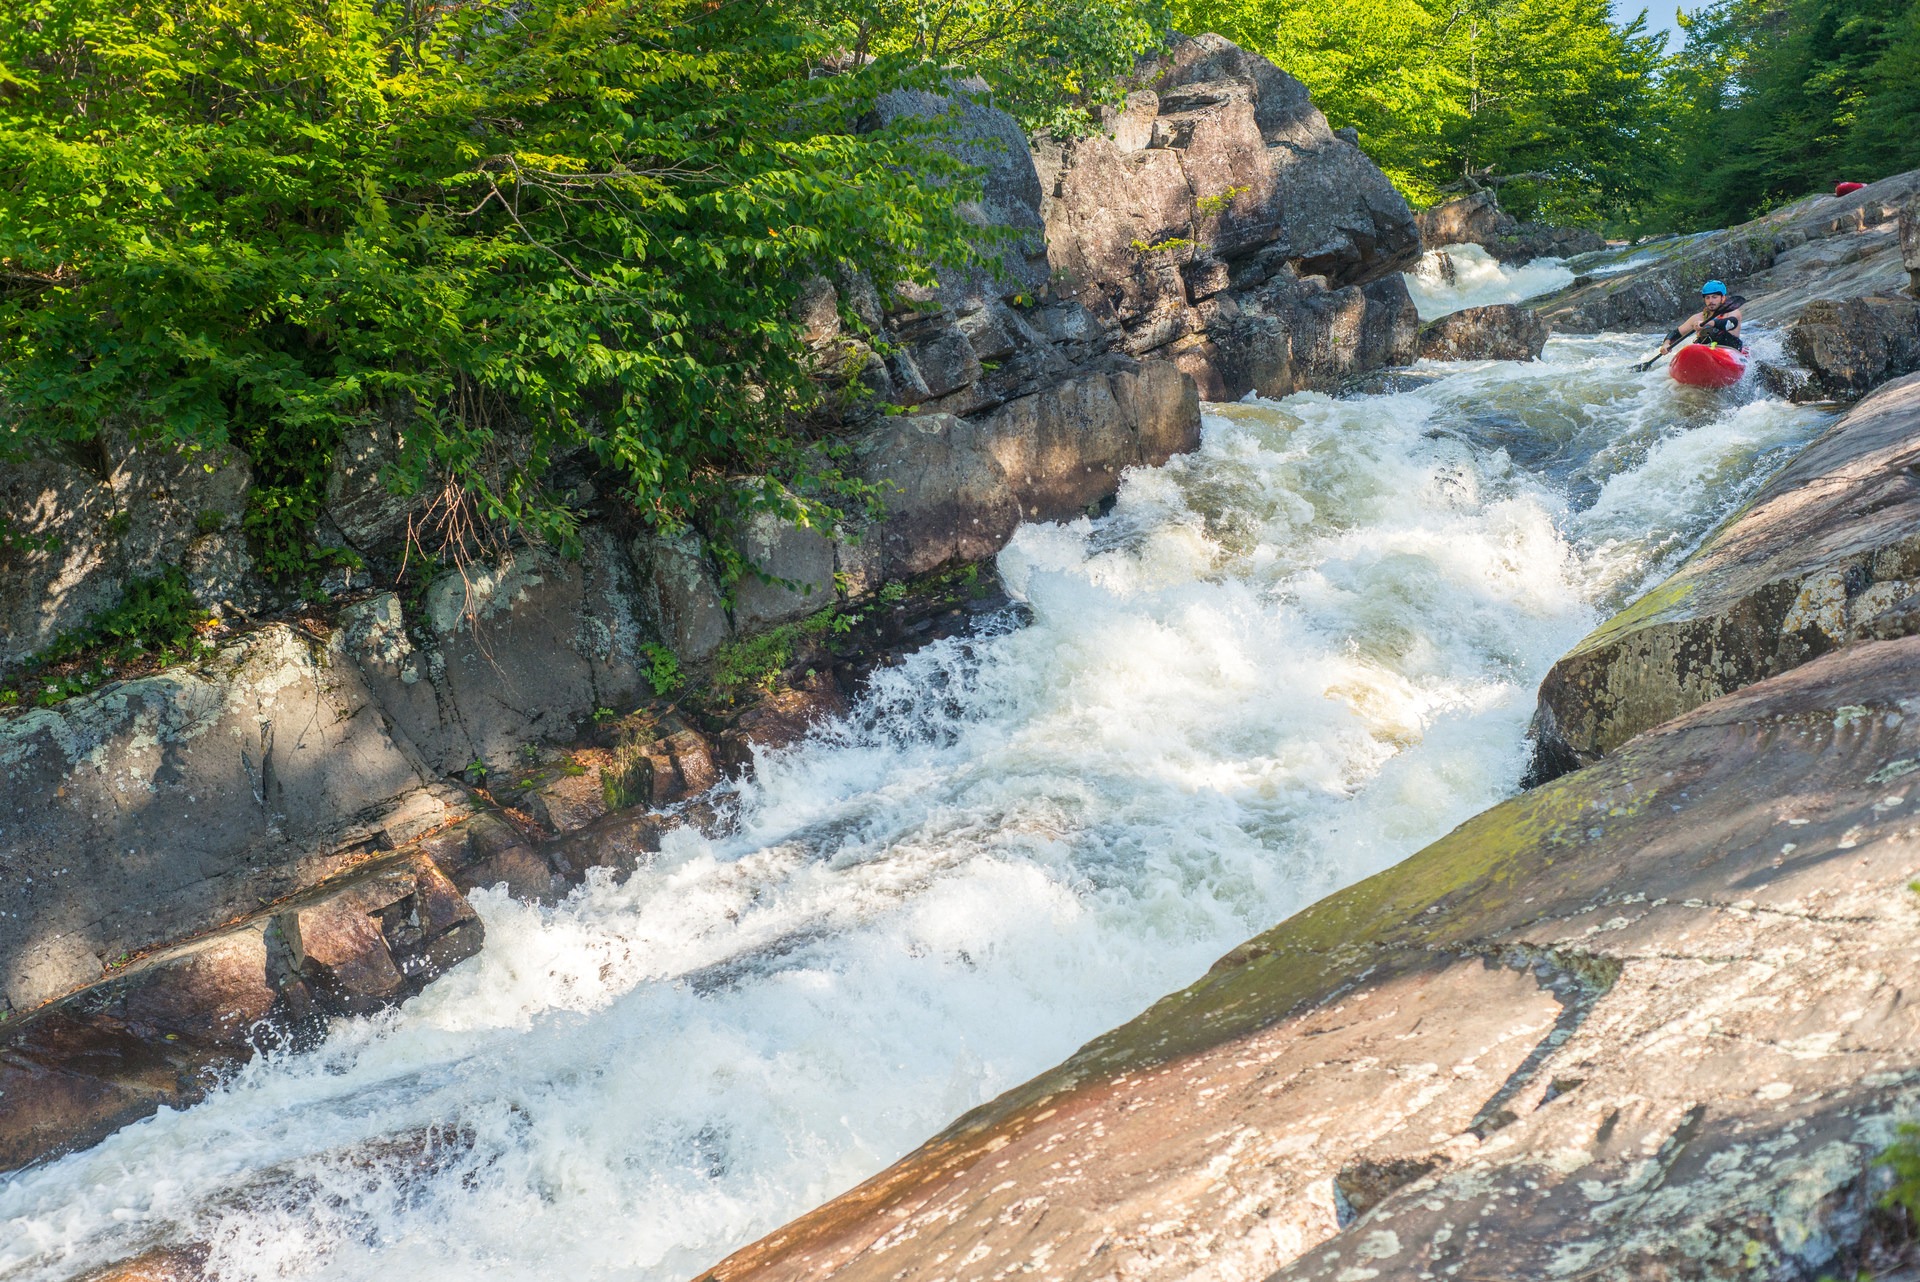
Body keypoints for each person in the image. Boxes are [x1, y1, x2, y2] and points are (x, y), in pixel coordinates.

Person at [1659, 280, 1746, 356]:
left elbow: (1732, 323)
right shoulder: (1698, 317)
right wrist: (1666, 344)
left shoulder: (1733, 312)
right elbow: (1676, 333)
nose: (1710, 301)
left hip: (1729, 350)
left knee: (1715, 332)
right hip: (1706, 353)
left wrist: (1708, 323)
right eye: (1707, 298)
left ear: (1722, 298)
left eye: (1714, 297)